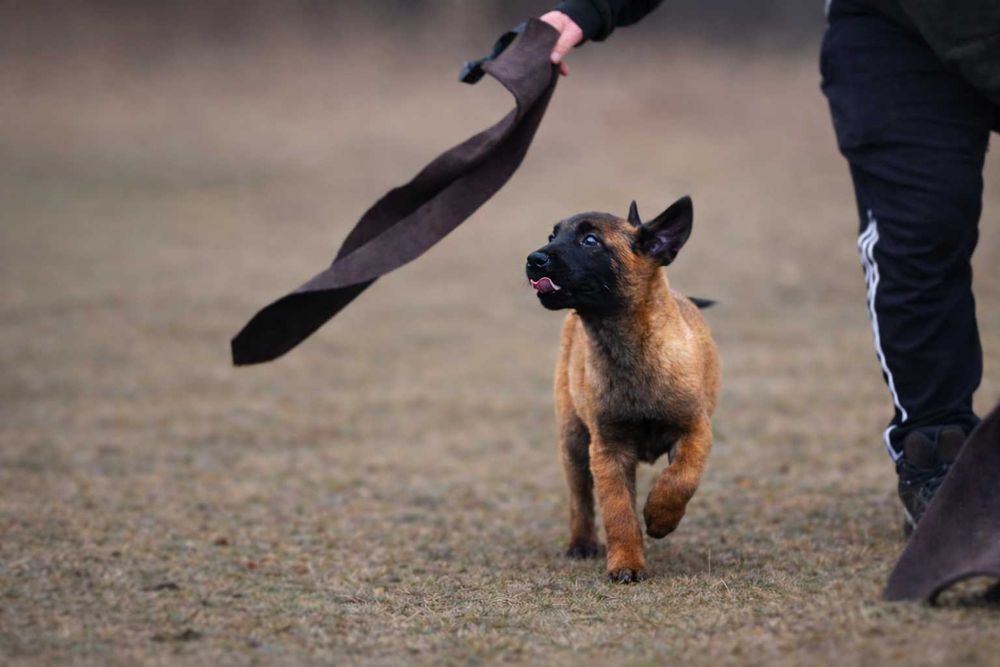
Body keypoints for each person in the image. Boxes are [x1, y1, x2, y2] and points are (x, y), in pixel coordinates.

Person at [538, 0, 1000, 534]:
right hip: (893, 35)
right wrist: (588, 8)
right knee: (918, 240)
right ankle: (935, 450)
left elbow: (694, 428)